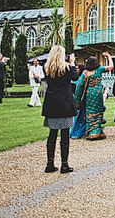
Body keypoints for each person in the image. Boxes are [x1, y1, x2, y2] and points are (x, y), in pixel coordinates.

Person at [42, 46, 78, 174]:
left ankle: (49, 163)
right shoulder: (67, 68)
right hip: (64, 103)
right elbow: (75, 77)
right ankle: (64, 164)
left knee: (52, 134)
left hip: (52, 103)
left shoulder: (46, 68)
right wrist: (72, 63)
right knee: (64, 135)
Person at [74, 52, 114, 140]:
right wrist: (108, 57)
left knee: (90, 112)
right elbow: (111, 67)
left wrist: (77, 99)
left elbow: (79, 85)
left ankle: (91, 131)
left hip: (89, 94)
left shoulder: (85, 72)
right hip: (98, 93)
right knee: (98, 111)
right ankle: (97, 131)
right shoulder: (99, 70)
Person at [70, 64, 87, 139]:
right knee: (76, 116)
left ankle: (79, 132)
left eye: (77, 68)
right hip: (74, 98)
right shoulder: (74, 78)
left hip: (81, 99)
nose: (76, 70)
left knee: (80, 116)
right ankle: (74, 131)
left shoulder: (82, 78)